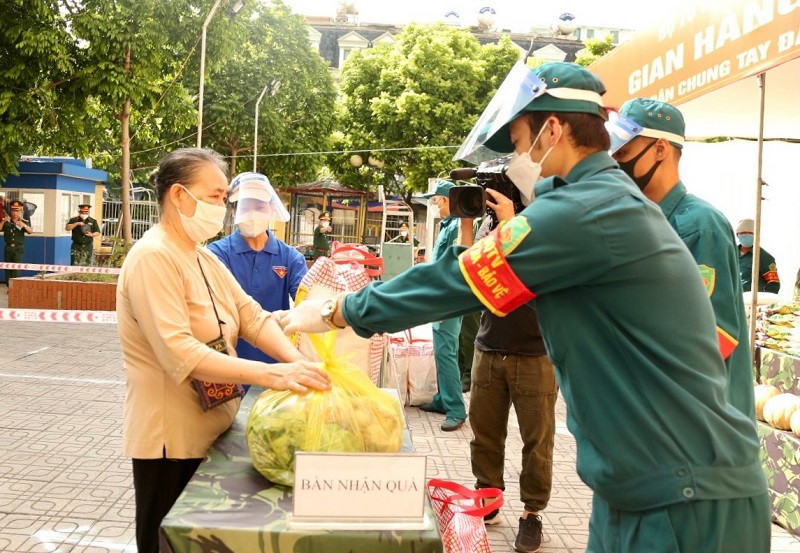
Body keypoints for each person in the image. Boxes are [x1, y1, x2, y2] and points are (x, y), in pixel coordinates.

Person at [277, 62, 770, 552]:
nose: (516, 156)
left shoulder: (589, 210)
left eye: (517, 141)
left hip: (684, 496)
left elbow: (456, 280)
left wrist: (338, 310)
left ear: (552, 130)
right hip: (640, 486)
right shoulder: (593, 201)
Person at [117, 148, 330, 553]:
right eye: (215, 197)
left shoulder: (201, 257)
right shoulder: (152, 257)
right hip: (171, 441)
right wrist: (271, 375)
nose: (223, 208)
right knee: (166, 542)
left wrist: (302, 363)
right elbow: (180, 351)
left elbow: (252, 317)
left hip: (211, 428)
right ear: (179, 196)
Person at [612, 98, 754, 420]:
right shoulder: (638, 218)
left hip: (699, 418)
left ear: (660, 149)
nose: (615, 163)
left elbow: (715, 337)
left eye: (622, 152)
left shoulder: (701, 225)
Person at [463, 194, 557, 552]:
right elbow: (466, 275)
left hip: (536, 353)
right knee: (484, 434)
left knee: (537, 442)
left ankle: (532, 514)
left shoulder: (546, 225)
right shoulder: (491, 225)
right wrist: (468, 224)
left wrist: (511, 224)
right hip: (489, 347)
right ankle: (488, 499)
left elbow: (537, 275)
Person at [207, 172, 308, 381]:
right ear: (234, 210)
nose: (253, 213)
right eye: (246, 206)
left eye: (260, 206)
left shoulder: (290, 258)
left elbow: (306, 302)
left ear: (271, 207)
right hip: (229, 365)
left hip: (278, 364)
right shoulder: (216, 253)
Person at [417, 180, 468, 432]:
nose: (435, 205)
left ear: (447, 200)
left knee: (446, 351)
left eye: (436, 200)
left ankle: (456, 408)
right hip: (441, 295)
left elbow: (454, 264)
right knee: (442, 349)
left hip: (448, 298)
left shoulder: (458, 226)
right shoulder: (448, 225)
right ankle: (442, 399)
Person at [736, 218, 780, 293]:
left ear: (756, 235)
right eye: (743, 233)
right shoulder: (731, 253)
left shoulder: (764, 257)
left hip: (751, 302)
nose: (746, 235)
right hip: (731, 299)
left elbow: (773, 284)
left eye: (750, 233)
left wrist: (763, 301)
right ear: (737, 235)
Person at [2, 200, 33, 283]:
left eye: (17, 211)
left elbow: (30, 231)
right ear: (11, 211)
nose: (15, 213)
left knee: (16, 268)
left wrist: (24, 225)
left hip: (18, 248)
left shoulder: (24, 221)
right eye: (13, 210)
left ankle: (14, 286)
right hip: (8, 248)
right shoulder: (6, 220)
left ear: (20, 211)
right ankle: (9, 286)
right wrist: (3, 221)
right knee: (8, 268)